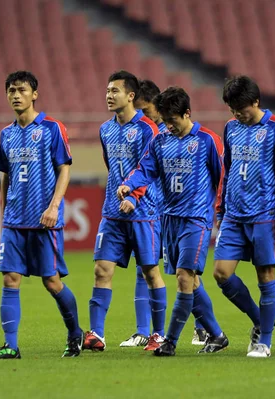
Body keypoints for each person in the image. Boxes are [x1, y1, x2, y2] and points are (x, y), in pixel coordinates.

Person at [118, 86, 228, 357]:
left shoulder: (207, 140)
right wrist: (129, 185)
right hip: (169, 219)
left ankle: (170, 341)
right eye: (165, 120)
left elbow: (221, 179)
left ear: (187, 113)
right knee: (192, 282)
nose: (169, 126)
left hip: (197, 219)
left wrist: (222, 213)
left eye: (173, 120)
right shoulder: (160, 140)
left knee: (183, 277)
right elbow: (146, 169)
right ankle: (216, 334)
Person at [0, 71, 83, 359]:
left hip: (44, 221)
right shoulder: (7, 134)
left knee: (51, 282)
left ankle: (75, 333)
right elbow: (6, 174)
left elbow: (64, 168)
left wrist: (54, 206)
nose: (16, 95)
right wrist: (5, 208)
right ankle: (10, 346)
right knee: (10, 279)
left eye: (21, 90)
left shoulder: (52, 128)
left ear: (34, 94)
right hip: (14, 221)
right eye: (11, 90)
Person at [83, 71, 167, 352]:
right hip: (112, 212)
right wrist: (119, 194)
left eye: (115, 91)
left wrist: (135, 195)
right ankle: (96, 334)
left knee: (151, 272)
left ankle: (158, 334)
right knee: (101, 269)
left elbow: (151, 169)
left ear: (131, 96)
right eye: (107, 90)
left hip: (143, 212)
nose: (109, 95)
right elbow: (112, 166)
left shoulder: (148, 129)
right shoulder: (105, 129)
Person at [212, 76, 275, 358]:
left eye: (241, 108)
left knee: (265, 275)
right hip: (234, 215)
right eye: (232, 108)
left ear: (256, 102)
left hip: (264, 215)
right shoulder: (231, 128)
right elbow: (227, 170)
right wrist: (220, 209)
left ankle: (265, 341)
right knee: (221, 274)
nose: (237, 114)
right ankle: (261, 321)